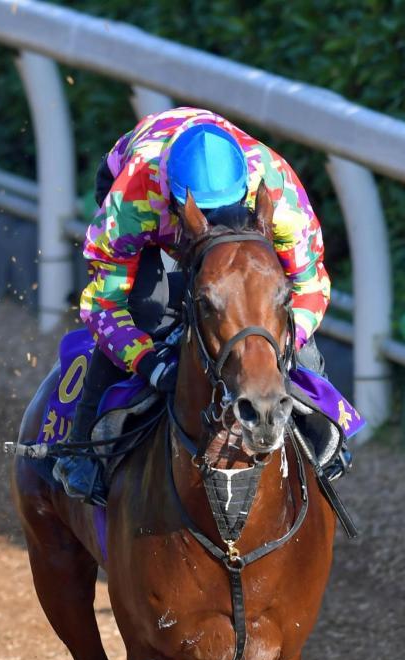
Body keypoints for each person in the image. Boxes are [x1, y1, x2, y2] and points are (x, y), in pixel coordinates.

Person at [54, 106, 332, 502]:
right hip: (139, 189)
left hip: (207, 196)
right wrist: (150, 366)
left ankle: (325, 433)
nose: (213, 223)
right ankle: (82, 447)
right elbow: (104, 306)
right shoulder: (132, 199)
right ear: (175, 200)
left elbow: (310, 286)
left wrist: (282, 347)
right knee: (146, 305)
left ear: (246, 191)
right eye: (204, 214)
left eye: (223, 212)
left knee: (271, 300)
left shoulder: (280, 193)